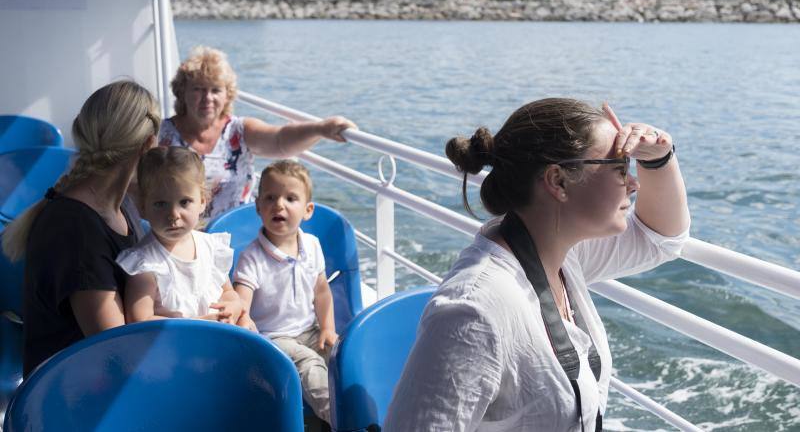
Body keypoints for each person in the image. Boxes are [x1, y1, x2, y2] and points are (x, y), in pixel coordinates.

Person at [383, 99, 690, 432]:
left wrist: (659, 156)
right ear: (558, 181)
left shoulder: (560, 254)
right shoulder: (475, 312)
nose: (634, 182)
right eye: (619, 168)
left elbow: (659, 239)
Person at [2, 81, 161, 376]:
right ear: (148, 145)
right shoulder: (77, 227)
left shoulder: (121, 205)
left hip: (100, 377)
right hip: (67, 396)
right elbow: (115, 351)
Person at [159, 46, 357, 219]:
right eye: (198, 89)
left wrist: (320, 128)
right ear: (182, 92)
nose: (207, 98)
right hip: (180, 233)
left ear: (227, 95)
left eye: (215, 90)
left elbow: (280, 140)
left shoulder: (238, 131)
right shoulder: (162, 134)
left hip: (236, 232)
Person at [233, 160, 337, 424]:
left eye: (291, 198)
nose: (279, 205)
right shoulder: (252, 258)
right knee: (310, 366)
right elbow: (240, 304)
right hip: (274, 339)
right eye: (270, 197)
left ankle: (367, 407)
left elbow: (322, 291)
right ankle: (341, 420)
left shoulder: (312, 245)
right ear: (258, 207)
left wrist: (327, 328)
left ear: (307, 210)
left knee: (342, 356)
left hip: (310, 329)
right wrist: (246, 324)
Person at [118, 146, 246, 326]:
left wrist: (233, 305)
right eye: (161, 204)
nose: (173, 214)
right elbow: (140, 320)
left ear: (202, 201)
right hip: (174, 348)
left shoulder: (210, 247)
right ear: (143, 206)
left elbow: (227, 291)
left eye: (184, 202)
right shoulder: (145, 264)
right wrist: (198, 324)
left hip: (217, 340)